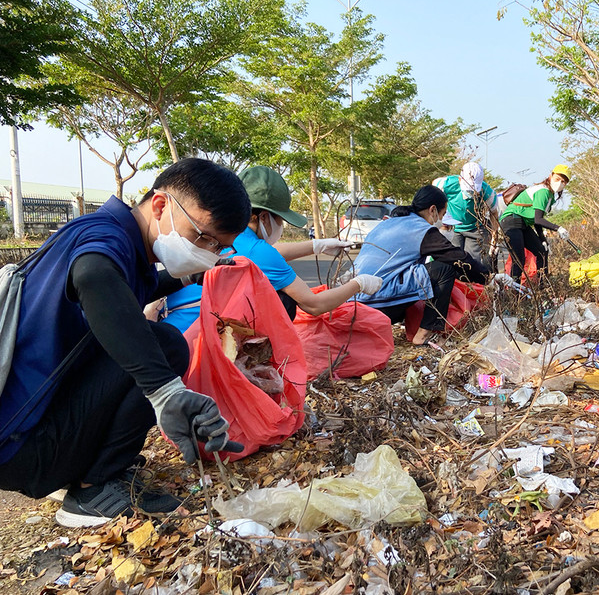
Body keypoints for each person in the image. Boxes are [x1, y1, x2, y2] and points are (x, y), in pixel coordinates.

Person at [0, 158, 248, 528]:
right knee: (165, 344)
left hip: (25, 434)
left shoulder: (122, 242)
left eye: (218, 247)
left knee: (151, 339)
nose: (209, 250)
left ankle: (85, 468)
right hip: (22, 447)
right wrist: (165, 392)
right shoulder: (105, 237)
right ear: (162, 205)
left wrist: (189, 276)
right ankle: (92, 490)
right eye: (203, 238)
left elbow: (131, 285)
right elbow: (95, 275)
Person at [158, 166, 382, 331]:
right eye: (280, 220)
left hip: (171, 324)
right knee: (285, 301)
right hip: (197, 338)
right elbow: (314, 305)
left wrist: (317, 246)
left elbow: (260, 257)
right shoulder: (258, 251)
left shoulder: (223, 235)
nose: (281, 227)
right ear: (263, 217)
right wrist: (358, 284)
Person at [352, 185, 492, 345]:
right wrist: (488, 278)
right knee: (443, 269)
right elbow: (457, 258)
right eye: (443, 214)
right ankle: (424, 334)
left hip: (354, 299)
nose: (442, 220)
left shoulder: (389, 223)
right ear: (433, 210)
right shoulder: (421, 229)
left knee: (419, 275)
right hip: (378, 303)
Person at [499, 164, 571, 283]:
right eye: (557, 179)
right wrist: (558, 228)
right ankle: (513, 295)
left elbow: (536, 219)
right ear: (551, 176)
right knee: (519, 259)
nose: (560, 183)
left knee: (542, 251)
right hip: (511, 221)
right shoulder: (543, 191)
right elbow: (538, 219)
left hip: (523, 223)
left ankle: (543, 286)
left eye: (563, 182)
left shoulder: (550, 196)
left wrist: (542, 239)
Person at [432, 162, 498, 261]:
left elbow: (494, 214)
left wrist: (494, 238)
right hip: (453, 227)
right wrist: (444, 218)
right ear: (459, 179)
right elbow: (433, 192)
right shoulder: (446, 184)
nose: (470, 193)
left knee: (473, 262)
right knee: (452, 260)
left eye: (473, 190)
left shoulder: (488, 193)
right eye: (468, 189)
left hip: (475, 228)